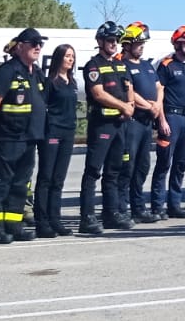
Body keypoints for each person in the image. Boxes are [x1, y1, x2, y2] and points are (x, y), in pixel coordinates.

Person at [0, 27, 46, 243]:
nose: (38, 47)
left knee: (21, 184)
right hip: (8, 137)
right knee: (2, 182)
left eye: (40, 44)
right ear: (19, 46)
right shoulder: (7, 71)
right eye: (33, 43)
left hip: (29, 138)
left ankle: (13, 223)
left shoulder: (35, 72)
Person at [79, 20, 134, 234]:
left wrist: (129, 105)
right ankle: (87, 217)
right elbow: (98, 93)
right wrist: (124, 106)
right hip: (102, 125)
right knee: (93, 171)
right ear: (100, 41)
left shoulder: (120, 64)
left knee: (114, 171)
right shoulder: (94, 65)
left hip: (120, 125)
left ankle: (111, 214)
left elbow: (129, 87)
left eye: (117, 40)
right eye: (110, 40)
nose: (114, 44)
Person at [152, 26, 185, 220]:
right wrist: (161, 119)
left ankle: (175, 204)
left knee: (180, 164)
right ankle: (157, 206)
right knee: (164, 163)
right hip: (171, 117)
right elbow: (159, 94)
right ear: (177, 44)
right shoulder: (166, 65)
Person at [118, 23, 161, 223]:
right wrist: (148, 106)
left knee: (143, 166)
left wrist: (157, 105)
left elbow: (159, 87)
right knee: (128, 166)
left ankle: (138, 207)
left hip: (146, 124)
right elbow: (130, 91)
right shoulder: (123, 65)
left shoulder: (146, 65)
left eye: (143, 42)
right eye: (138, 43)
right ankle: (121, 207)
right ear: (127, 45)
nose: (142, 46)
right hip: (133, 122)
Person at [35, 43, 78, 236]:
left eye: (72, 56)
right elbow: (42, 107)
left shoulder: (72, 82)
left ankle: (55, 219)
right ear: (58, 58)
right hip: (52, 132)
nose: (70, 59)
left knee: (59, 179)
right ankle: (42, 221)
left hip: (68, 132)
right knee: (46, 177)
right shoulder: (50, 82)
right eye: (67, 56)